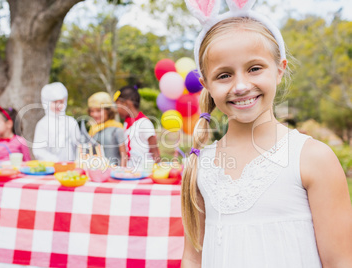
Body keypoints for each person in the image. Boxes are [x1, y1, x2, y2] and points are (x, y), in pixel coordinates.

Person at [181, 0, 352, 267]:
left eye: (254, 68)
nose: (240, 86)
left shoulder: (312, 158)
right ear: (206, 84)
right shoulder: (200, 164)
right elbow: (193, 258)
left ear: (279, 70)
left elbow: (341, 261)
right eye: (224, 75)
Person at [113, 85, 160, 170]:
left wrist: (159, 171)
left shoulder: (144, 123)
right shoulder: (127, 123)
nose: (117, 110)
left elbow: (155, 152)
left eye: (118, 105)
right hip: (132, 171)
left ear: (127, 104)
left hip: (145, 171)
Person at [33, 82, 80, 162]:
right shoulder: (42, 124)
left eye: (61, 102)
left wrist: (78, 161)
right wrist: (56, 161)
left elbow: (79, 145)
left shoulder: (71, 122)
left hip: (71, 168)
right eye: (55, 102)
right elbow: (38, 150)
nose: (59, 105)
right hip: (50, 167)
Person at [86, 92, 127, 166]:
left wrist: (122, 172)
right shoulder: (93, 130)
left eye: (98, 111)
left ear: (108, 111)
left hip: (113, 173)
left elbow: (124, 156)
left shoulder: (117, 129)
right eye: (92, 111)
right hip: (96, 173)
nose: (95, 114)